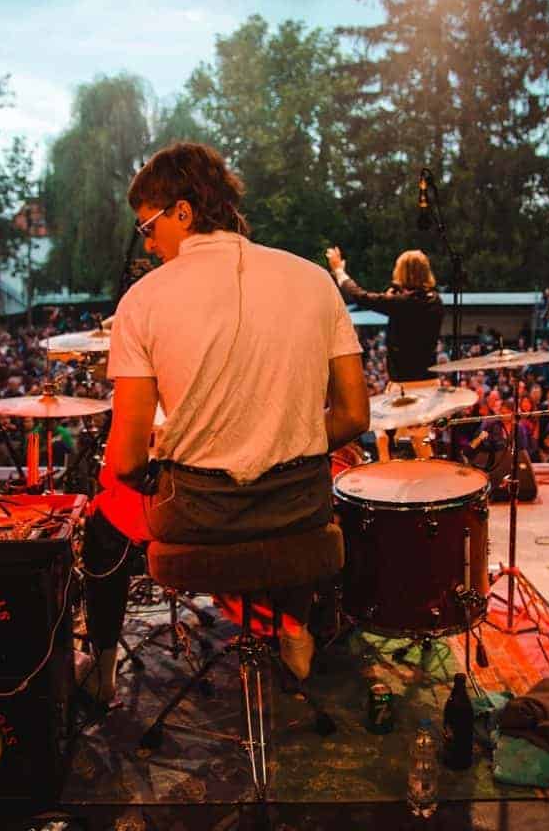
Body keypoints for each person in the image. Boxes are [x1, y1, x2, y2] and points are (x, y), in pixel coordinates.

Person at [81, 142, 369, 702]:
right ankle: (293, 625)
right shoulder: (313, 281)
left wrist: (161, 462)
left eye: (148, 227)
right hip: (298, 510)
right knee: (289, 494)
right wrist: (289, 436)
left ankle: (104, 667)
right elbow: (356, 415)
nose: (148, 243)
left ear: (182, 212)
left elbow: (127, 460)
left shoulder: (143, 301)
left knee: (100, 524)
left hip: (198, 519)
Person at [325, 246, 444, 460]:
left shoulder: (405, 304)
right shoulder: (433, 301)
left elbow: (359, 296)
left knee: (398, 437)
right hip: (428, 382)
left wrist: (339, 271)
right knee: (413, 438)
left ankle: (390, 476)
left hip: (406, 385)